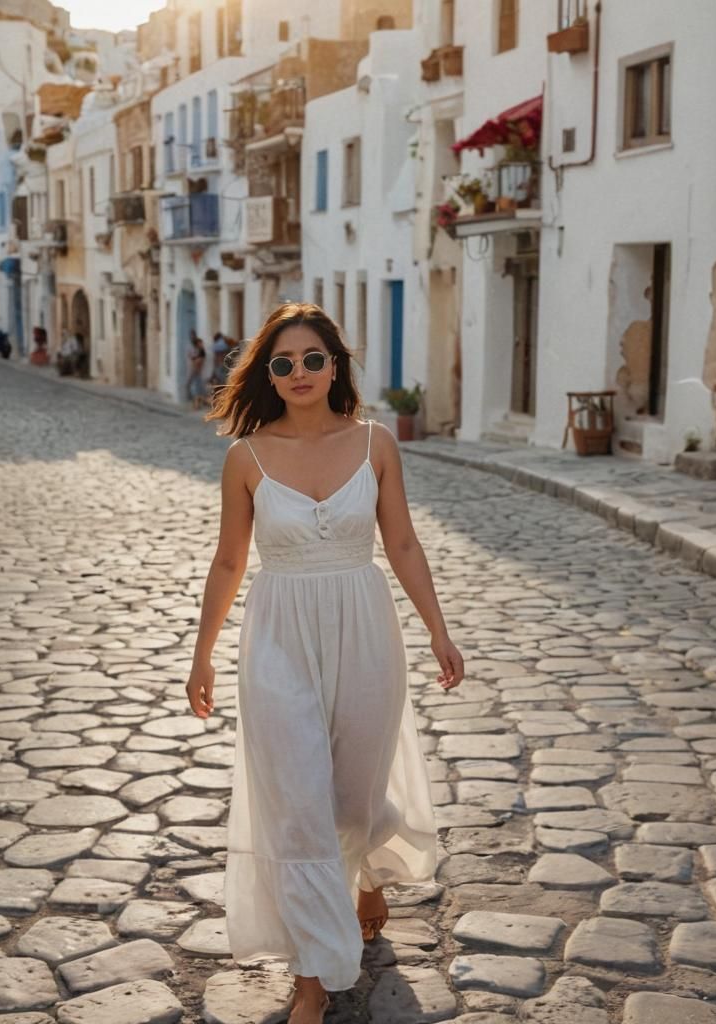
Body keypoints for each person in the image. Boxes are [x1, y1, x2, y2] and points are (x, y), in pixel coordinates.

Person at [185, 303, 464, 1023]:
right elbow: (228, 559)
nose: (300, 372)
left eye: (313, 359)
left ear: (335, 365)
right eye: (283, 363)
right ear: (268, 376)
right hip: (277, 634)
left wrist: (438, 629)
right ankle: (313, 975)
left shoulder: (375, 444)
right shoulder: (245, 457)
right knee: (301, 807)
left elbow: (401, 544)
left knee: (351, 798)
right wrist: (203, 655)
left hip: (365, 629)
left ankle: (369, 864)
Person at [187, 332, 207, 407]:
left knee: (198, 389)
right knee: (197, 389)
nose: (201, 344)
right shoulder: (198, 351)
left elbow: (199, 361)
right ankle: (197, 404)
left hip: (197, 372)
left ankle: (197, 404)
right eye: (200, 343)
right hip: (196, 372)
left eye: (201, 343)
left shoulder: (201, 352)